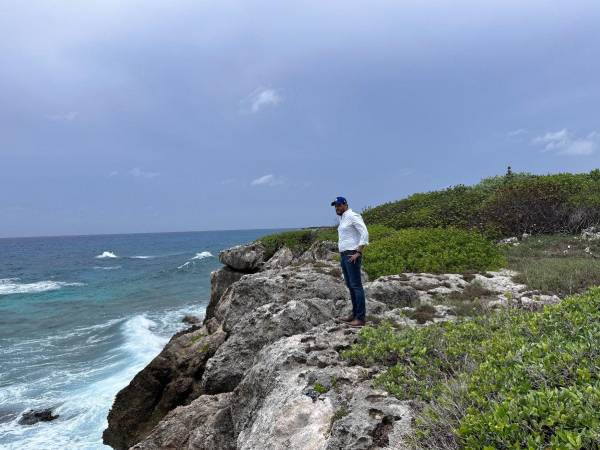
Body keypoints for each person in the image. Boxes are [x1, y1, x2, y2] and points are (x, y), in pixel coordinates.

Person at [330, 196, 369, 327]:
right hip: (344, 255)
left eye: (339, 205)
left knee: (356, 286)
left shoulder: (353, 216)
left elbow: (364, 232)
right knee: (350, 286)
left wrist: (359, 251)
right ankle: (354, 314)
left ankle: (360, 318)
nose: (337, 208)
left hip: (352, 254)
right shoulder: (342, 219)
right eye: (335, 206)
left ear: (345, 205)